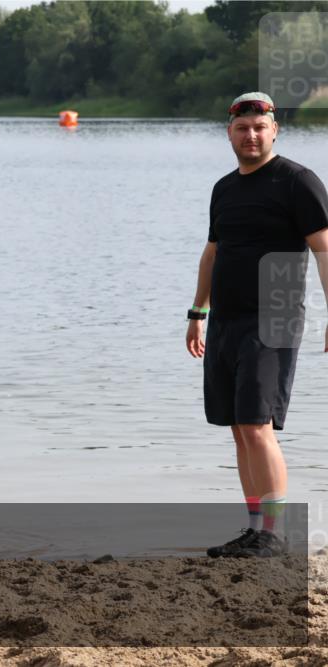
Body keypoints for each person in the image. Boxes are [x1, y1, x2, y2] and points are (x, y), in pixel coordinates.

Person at [186, 92, 328, 558]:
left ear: (274, 131)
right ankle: (255, 529)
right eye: (242, 128)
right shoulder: (224, 188)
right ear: (229, 133)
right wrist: (197, 312)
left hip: (277, 312)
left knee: (256, 424)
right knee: (237, 425)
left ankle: (274, 533)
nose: (251, 135)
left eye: (259, 127)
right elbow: (213, 252)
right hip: (227, 318)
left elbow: (323, 249)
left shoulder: (297, 181)